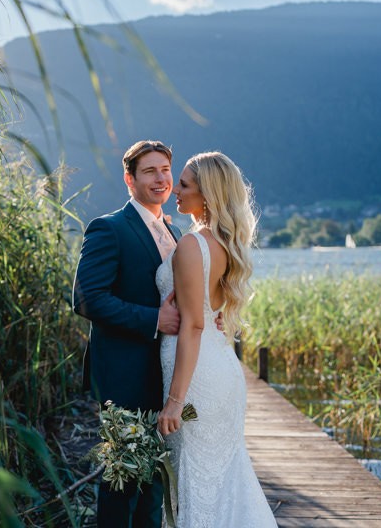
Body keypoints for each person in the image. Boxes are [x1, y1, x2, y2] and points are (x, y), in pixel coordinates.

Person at [156, 151, 277, 527]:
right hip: (217, 366)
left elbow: (193, 325)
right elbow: (209, 310)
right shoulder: (222, 242)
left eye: (186, 184)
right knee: (220, 477)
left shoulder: (193, 246)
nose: (176, 188)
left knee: (198, 479)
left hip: (197, 379)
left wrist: (175, 403)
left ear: (207, 194)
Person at [72, 140, 182, 527]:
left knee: (153, 480)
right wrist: (156, 320)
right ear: (129, 179)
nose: (161, 178)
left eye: (166, 170)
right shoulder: (109, 228)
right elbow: (87, 299)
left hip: (167, 374)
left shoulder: (175, 231)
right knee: (122, 480)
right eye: (150, 171)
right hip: (125, 374)